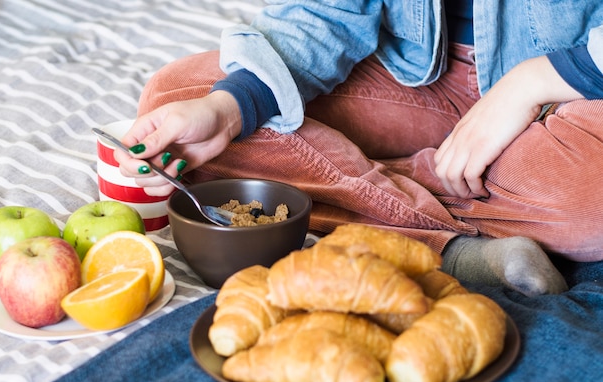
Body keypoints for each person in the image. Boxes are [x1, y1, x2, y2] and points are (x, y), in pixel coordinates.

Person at [114, 1, 603, 296]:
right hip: (416, 79)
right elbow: (326, 12)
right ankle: (453, 249)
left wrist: (534, 81)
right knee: (178, 98)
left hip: (571, 87)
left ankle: (354, 182)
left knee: (594, 202)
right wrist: (231, 108)